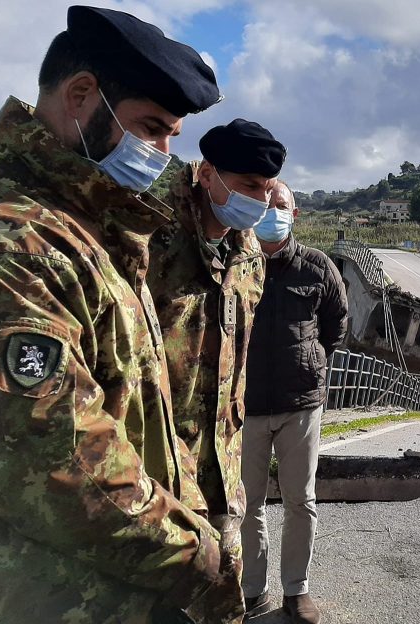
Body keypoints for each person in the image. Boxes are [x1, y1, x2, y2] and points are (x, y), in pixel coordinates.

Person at [0, 6, 229, 623]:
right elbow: (55, 457)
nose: (164, 154)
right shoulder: (7, 241)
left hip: (110, 586)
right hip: (47, 597)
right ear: (82, 95)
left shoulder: (86, 227)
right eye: (151, 128)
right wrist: (198, 558)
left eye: (172, 136)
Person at [148, 119, 285, 623]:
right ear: (207, 174)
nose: (260, 201)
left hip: (223, 469)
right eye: (249, 186)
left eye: (267, 190)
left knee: (219, 603)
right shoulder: (150, 235)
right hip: (155, 469)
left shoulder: (248, 252)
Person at [240, 181, 348, 623]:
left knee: (300, 500)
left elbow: (336, 326)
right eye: (264, 204)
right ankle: (251, 589)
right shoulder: (235, 261)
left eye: (280, 205)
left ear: (295, 213)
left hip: (300, 403)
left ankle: (296, 590)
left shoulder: (317, 267)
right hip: (243, 406)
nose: (272, 212)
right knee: (246, 503)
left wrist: (310, 362)